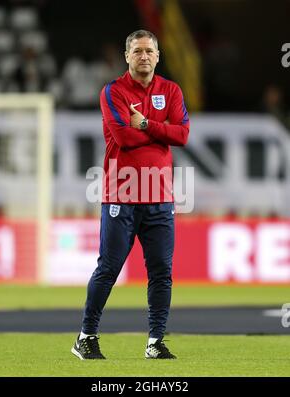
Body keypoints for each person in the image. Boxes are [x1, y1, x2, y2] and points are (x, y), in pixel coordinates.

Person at [71, 29, 190, 360]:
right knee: (108, 269)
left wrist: (146, 124)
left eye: (149, 51)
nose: (144, 56)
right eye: (137, 51)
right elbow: (123, 137)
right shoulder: (113, 91)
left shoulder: (171, 90)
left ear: (157, 55)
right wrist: (158, 131)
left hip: (160, 196)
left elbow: (182, 135)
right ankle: (86, 336)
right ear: (127, 56)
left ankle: (155, 342)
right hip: (120, 195)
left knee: (161, 272)